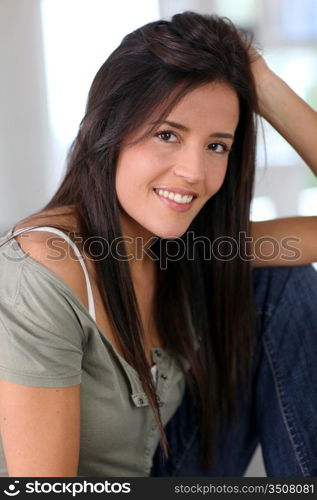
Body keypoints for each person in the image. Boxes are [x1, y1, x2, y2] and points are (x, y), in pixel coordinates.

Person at [0, 11, 316, 477]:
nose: (194, 172)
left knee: (283, 279)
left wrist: (261, 83)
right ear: (109, 130)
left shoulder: (187, 244)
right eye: (167, 134)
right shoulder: (43, 272)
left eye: (216, 146)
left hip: (165, 467)